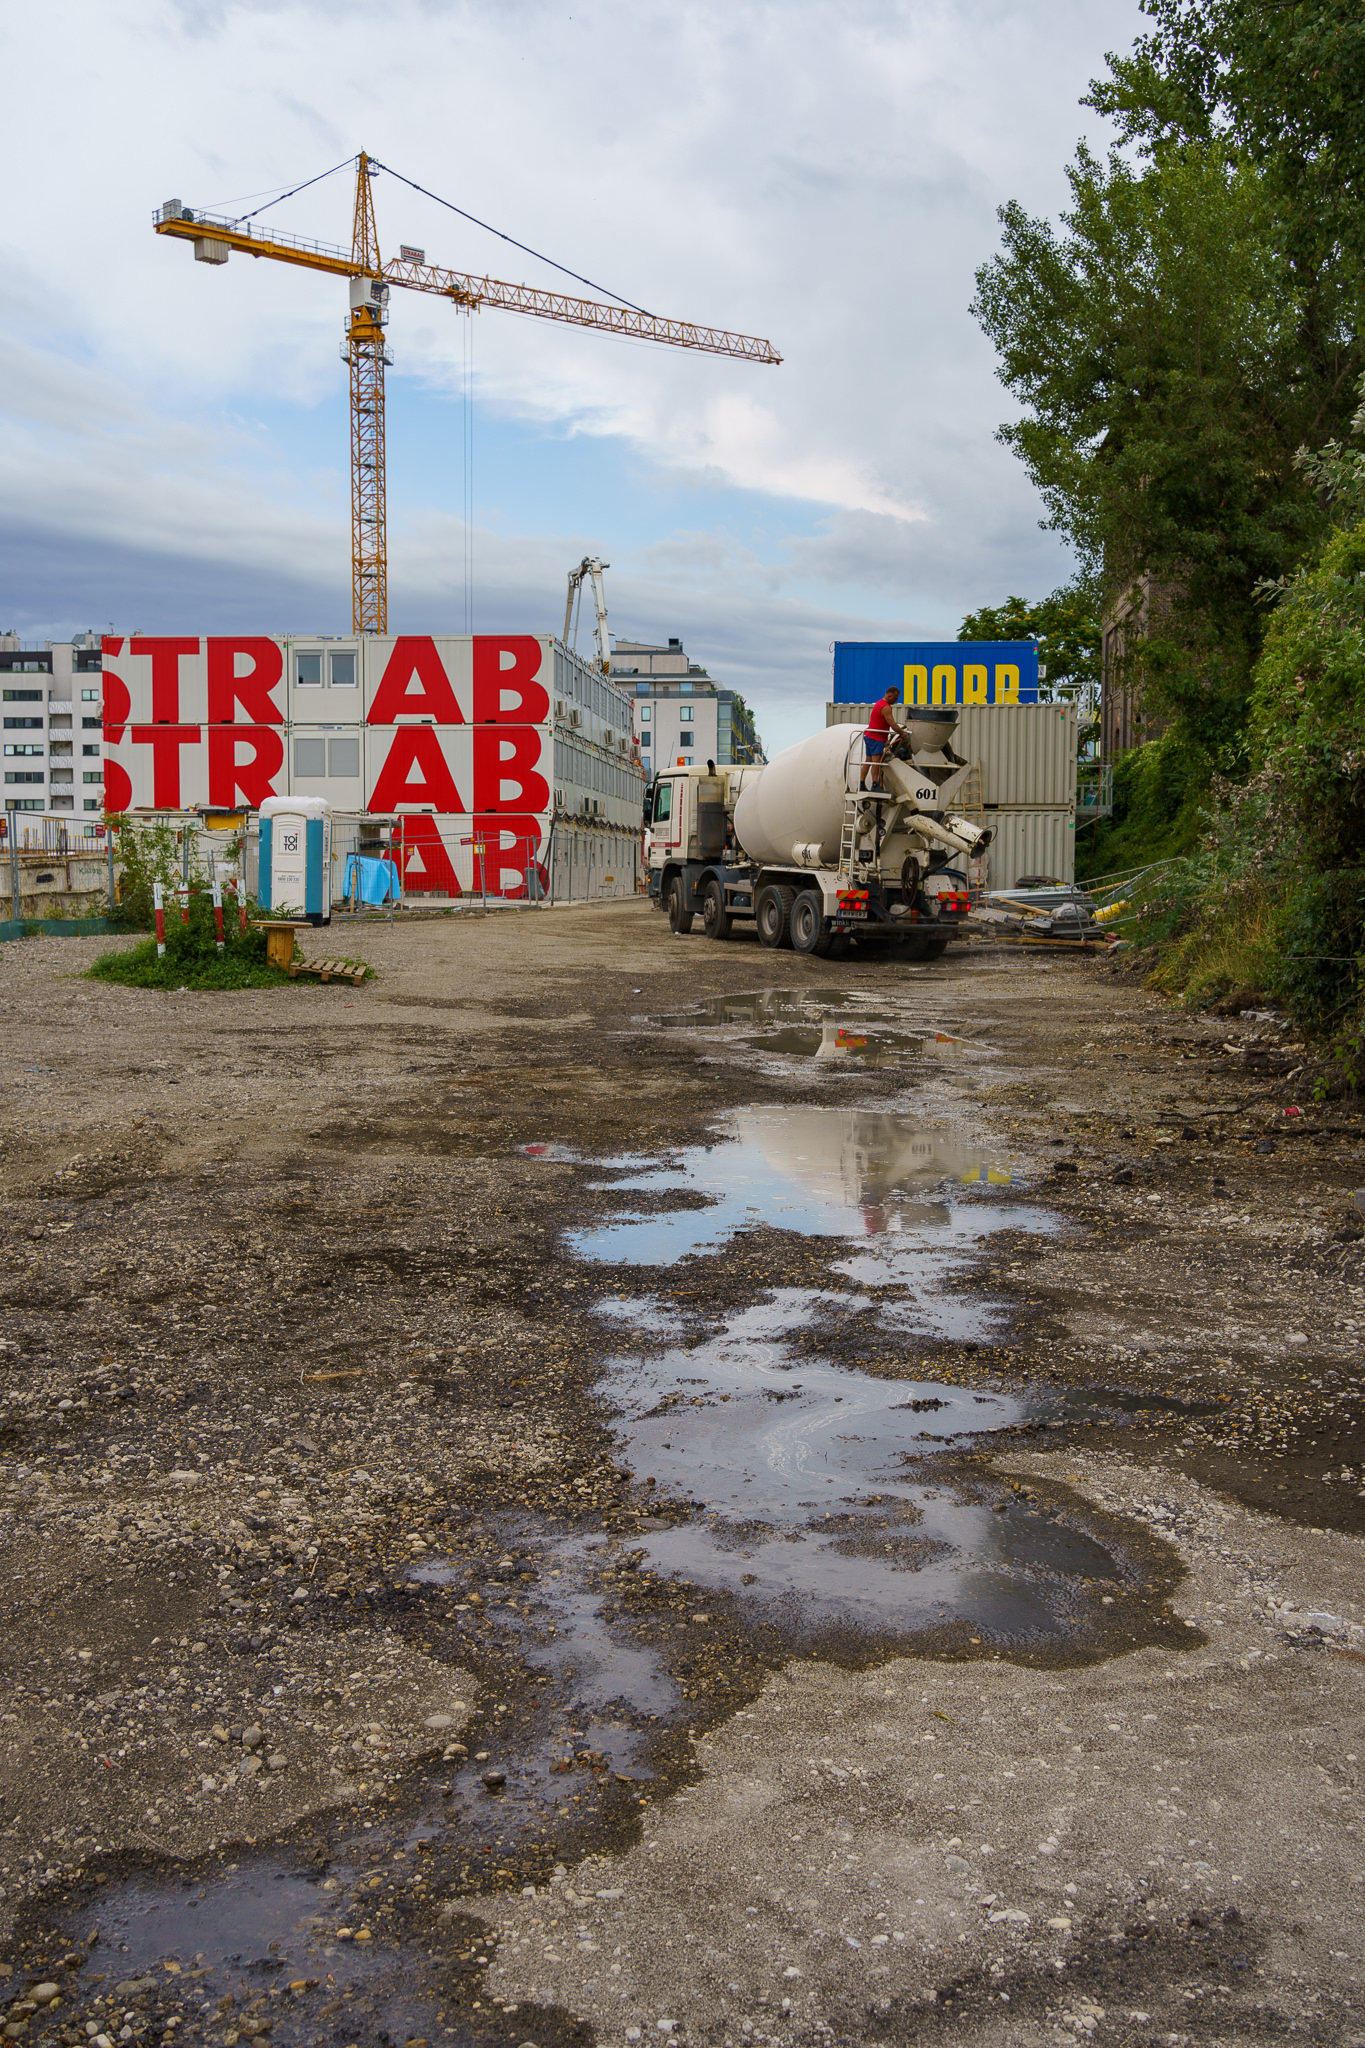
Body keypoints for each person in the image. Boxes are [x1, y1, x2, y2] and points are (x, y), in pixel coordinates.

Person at [861, 685, 901, 788]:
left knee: (868, 760)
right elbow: (892, 723)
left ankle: (861, 784)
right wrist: (903, 734)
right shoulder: (886, 707)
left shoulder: (879, 703)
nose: (896, 700)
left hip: (869, 736)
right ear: (889, 695)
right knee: (876, 762)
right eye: (895, 698)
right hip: (876, 738)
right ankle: (875, 784)